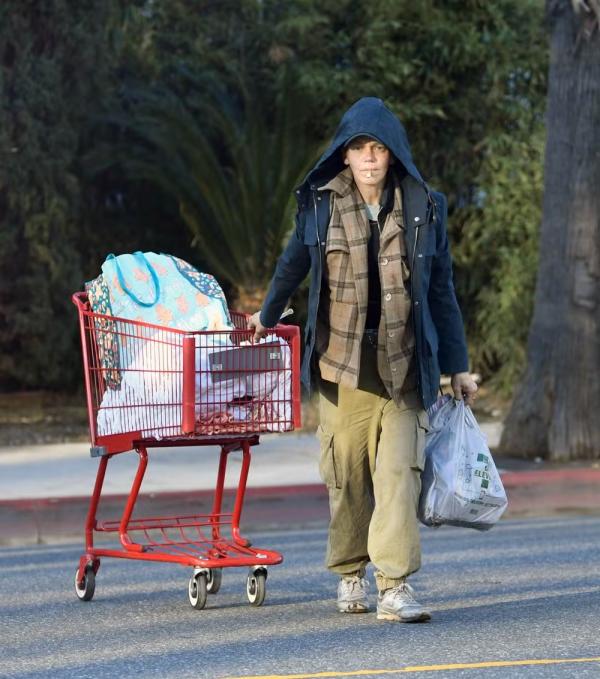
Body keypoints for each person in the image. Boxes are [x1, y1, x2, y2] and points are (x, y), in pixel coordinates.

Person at [248, 97, 477, 622]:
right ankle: (351, 571)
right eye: (359, 149)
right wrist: (266, 314)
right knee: (348, 477)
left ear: (393, 154)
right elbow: (292, 266)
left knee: (399, 473)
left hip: (405, 366)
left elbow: (442, 293)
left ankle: (394, 585)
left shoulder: (426, 207)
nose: (369, 158)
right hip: (340, 368)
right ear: (344, 156)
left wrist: (457, 365)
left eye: (378, 148)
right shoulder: (320, 205)